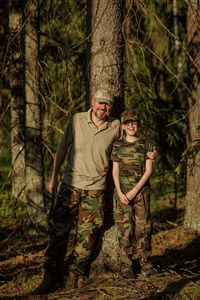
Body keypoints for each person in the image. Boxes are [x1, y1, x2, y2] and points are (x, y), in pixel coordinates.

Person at [32, 90, 157, 295]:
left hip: (96, 189)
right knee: (59, 230)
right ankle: (50, 275)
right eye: (100, 103)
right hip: (70, 184)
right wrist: (53, 177)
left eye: (107, 105)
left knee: (87, 234)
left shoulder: (116, 125)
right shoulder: (77, 120)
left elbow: (129, 142)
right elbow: (63, 148)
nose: (103, 108)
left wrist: (149, 154)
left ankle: (74, 274)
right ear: (93, 102)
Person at [111, 108, 157, 279]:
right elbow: (114, 171)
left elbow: (148, 170)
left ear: (138, 124)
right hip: (122, 195)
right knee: (124, 230)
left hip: (141, 194)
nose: (131, 125)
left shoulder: (146, 144)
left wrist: (134, 191)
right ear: (122, 126)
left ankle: (146, 264)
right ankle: (126, 267)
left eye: (134, 122)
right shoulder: (117, 146)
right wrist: (120, 192)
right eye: (127, 123)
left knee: (143, 229)